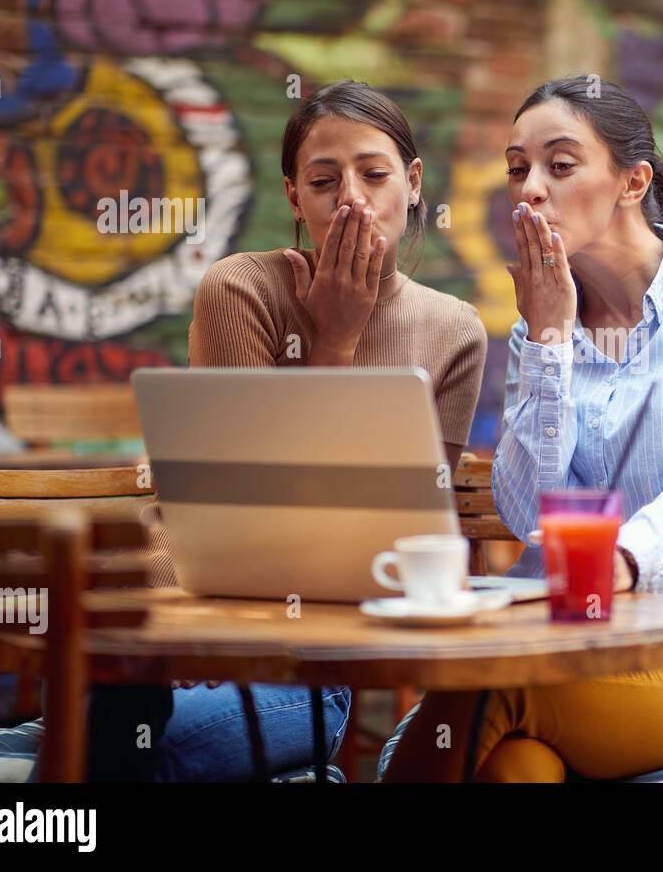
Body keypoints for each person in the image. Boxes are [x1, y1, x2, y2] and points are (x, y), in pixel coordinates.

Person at [383, 76, 663, 782]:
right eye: (517, 169)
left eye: (559, 165)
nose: (529, 189)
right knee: (516, 769)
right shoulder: (543, 324)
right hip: (555, 655)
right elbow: (523, 512)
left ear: (633, 182)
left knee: (494, 684)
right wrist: (546, 339)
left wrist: (617, 564)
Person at [91, 80, 489, 781]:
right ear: (294, 199)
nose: (353, 199)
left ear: (415, 183)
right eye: (324, 180)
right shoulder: (240, 288)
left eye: (374, 174)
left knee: (138, 754)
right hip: (178, 617)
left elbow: (391, 541)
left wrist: (337, 339)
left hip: (308, 662)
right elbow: (237, 527)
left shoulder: (453, 330)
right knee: (127, 735)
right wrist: (331, 341)